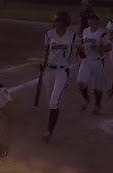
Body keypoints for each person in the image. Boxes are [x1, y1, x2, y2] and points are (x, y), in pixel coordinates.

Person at [37, 11, 77, 143]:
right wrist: (43, 62)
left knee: (53, 101)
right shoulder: (49, 34)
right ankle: (58, 101)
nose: (57, 23)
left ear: (65, 22)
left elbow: (80, 48)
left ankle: (49, 131)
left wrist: (81, 54)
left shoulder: (72, 36)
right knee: (51, 100)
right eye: (56, 21)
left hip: (62, 71)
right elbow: (46, 51)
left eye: (59, 21)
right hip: (50, 71)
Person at [76, 11, 109, 113]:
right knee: (81, 83)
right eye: (89, 20)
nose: (90, 22)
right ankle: (86, 99)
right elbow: (81, 43)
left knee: (97, 87)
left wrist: (98, 48)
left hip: (97, 62)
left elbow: (108, 47)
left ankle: (97, 105)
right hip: (86, 61)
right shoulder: (85, 31)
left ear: (97, 21)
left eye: (92, 20)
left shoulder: (102, 33)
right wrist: (79, 50)